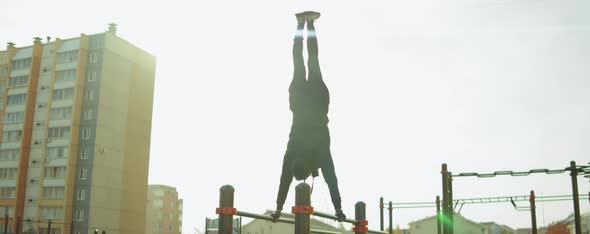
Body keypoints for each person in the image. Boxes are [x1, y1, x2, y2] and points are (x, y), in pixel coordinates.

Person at [271, 11, 346, 222]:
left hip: (315, 99)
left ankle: (309, 24)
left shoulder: (318, 154)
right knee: (300, 60)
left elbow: (332, 182)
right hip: (300, 99)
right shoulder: (292, 154)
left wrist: (339, 209)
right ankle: (301, 25)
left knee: (311, 60)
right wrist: (277, 208)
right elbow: (284, 182)